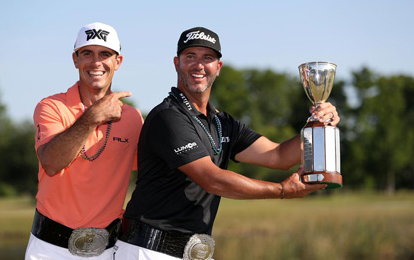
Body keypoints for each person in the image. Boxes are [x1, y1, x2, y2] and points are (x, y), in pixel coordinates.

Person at [113, 27, 340, 260]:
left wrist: (317, 125)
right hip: (147, 250)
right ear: (176, 63)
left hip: (193, 252)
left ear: (218, 67)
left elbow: (279, 155)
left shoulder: (222, 122)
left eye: (207, 58)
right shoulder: (168, 116)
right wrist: (282, 190)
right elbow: (212, 180)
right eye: (190, 56)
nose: (198, 65)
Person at [25, 22, 143, 260]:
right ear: (75, 59)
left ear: (117, 62)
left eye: (105, 54)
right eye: (87, 53)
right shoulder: (51, 107)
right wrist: (93, 117)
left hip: (109, 249)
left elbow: (152, 174)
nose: (96, 62)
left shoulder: (132, 117)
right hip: (49, 248)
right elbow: (51, 162)